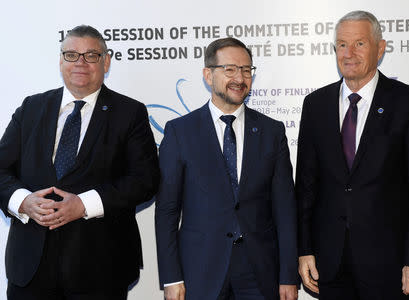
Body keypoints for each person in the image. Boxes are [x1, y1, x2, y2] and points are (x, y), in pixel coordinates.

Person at [0, 25, 160, 299]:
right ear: (61, 61)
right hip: (30, 268)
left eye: (91, 55)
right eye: (72, 55)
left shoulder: (130, 112)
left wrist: (84, 205)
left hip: (101, 268)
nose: (80, 63)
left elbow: (144, 180)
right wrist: (23, 201)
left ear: (106, 61)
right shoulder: (31, 108)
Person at [295, 10, 409, 300]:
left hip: (391, 266)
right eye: (342, 44)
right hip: (329, 263)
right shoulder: (315, 104)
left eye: (359, 43)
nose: (349, 53)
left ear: (380, 48)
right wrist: (304, 249)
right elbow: (306, 186)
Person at [155, 37, 298, 300]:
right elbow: (167, 211)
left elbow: (285, 209)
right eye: (230, 69)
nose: (240, 78)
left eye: (246, 70)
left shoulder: (271, 131)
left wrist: (288, 275)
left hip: (259, 271)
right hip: (200, 270)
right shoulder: (180, 132)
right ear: (208, 75)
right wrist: (171, 277)